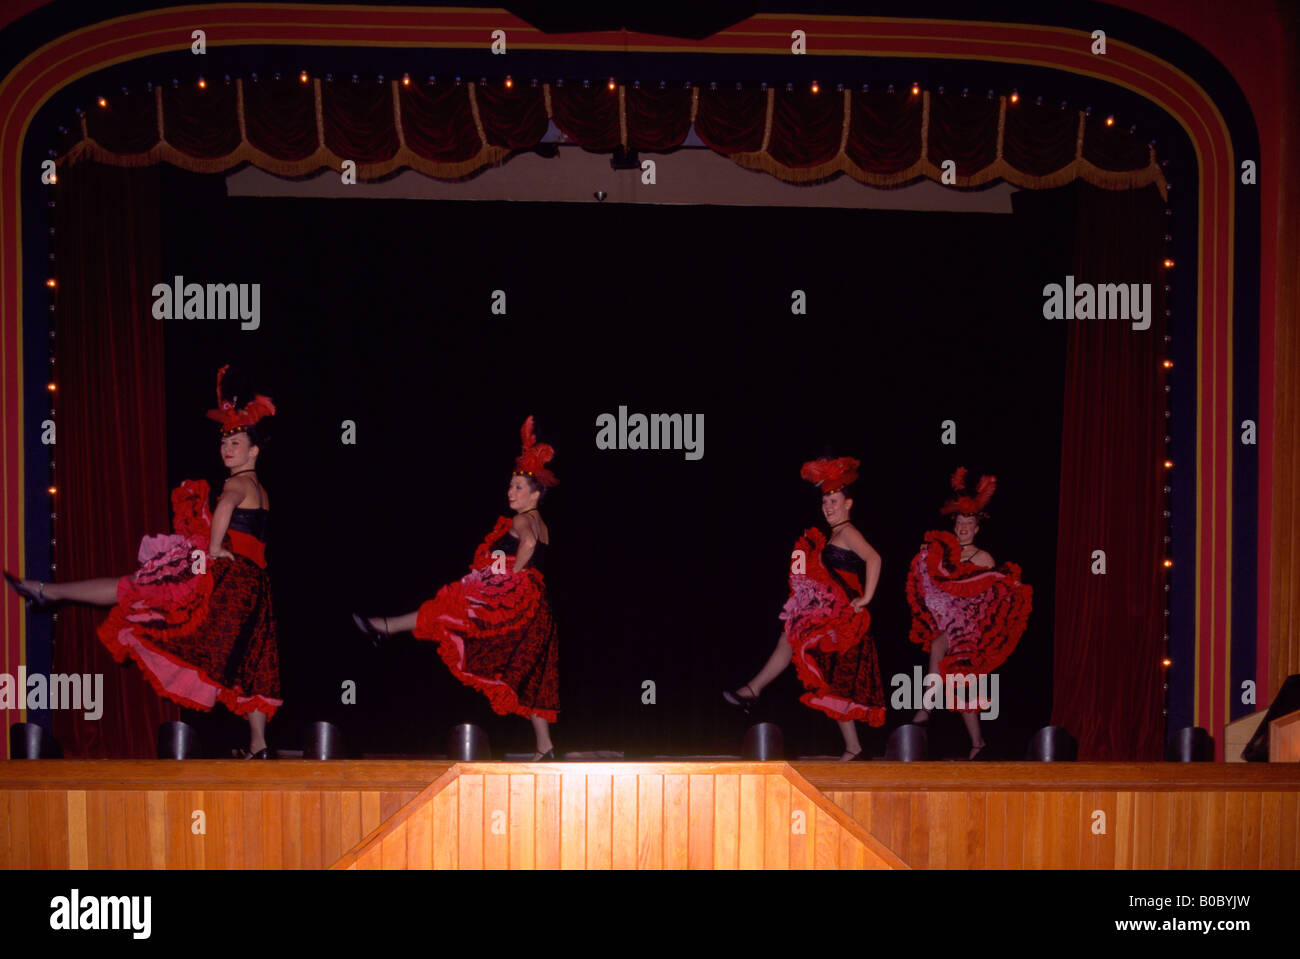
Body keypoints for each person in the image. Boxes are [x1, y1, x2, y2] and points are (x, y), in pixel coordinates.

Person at [5, 366, 281, 757]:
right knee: (254, 660)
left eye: (236, 442)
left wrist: (215, 547)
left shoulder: (236, 483)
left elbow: (225, 508)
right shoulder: (262, 490)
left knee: (134, 589)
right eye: (225, 443)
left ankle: (47, 591)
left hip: (225, 577)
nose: (227, 449)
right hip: (255, 587)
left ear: (254, 450)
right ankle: (259, 744)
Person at [354, 416, 560, 760]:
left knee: (448, 605)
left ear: (536, 493)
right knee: (532, 676)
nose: (511, 492)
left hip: (517, 600)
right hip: (538, 610)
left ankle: (385, 627)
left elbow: (525, 546)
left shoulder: (523, 520)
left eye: (518, 488)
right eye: (509, 486)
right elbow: (529, 550)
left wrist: (510, 578)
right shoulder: (544, 524)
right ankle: (546, 747)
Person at [724, 456, 886, 761]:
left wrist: (866, 599)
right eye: (825, 502)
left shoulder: (848, 532)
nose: (829, 507)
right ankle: (854, 747)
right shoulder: (833, 536)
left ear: (848, 504)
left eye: (835, 501)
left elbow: (874, 559)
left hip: (844, 619)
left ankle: (753, 690)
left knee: (795, 640)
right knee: (827, 680)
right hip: (832, 614)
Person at [906, 467, 1033, 759]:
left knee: (954, 671)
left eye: (969, 522)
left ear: (977, 528)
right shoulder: (944, 554)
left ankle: (927, 711)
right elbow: (930, 585)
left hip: (972, 630)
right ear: (955, 525)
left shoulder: (983, 557)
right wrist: (927, 556)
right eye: (960, 522)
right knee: (956, 681)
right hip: (949, 626)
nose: (964, 527)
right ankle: (975, 741)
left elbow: (991, 594)